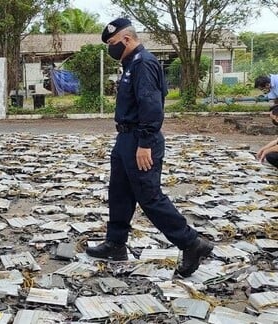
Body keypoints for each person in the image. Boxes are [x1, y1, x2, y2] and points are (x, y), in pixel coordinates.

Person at [86, 18, 213, 278]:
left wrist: (144, 143)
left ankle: (191, 243)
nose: (110, 48)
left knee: (149, 197)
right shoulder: (131, 63)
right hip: (125, 139)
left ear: (127, 40)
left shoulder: (144, 63)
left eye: (112, 43)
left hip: (140, 141)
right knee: (119, 192)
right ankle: (116, 244)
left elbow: (151, 106)